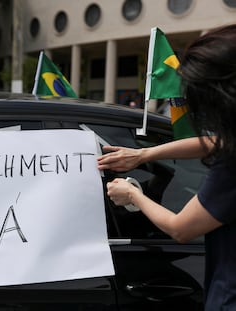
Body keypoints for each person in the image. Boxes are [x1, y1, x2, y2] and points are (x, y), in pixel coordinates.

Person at [97, 24, 236, 310]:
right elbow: (214, 141)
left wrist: (132, 195)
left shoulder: (231, 167)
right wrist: (142, 155)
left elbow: (181, 228)